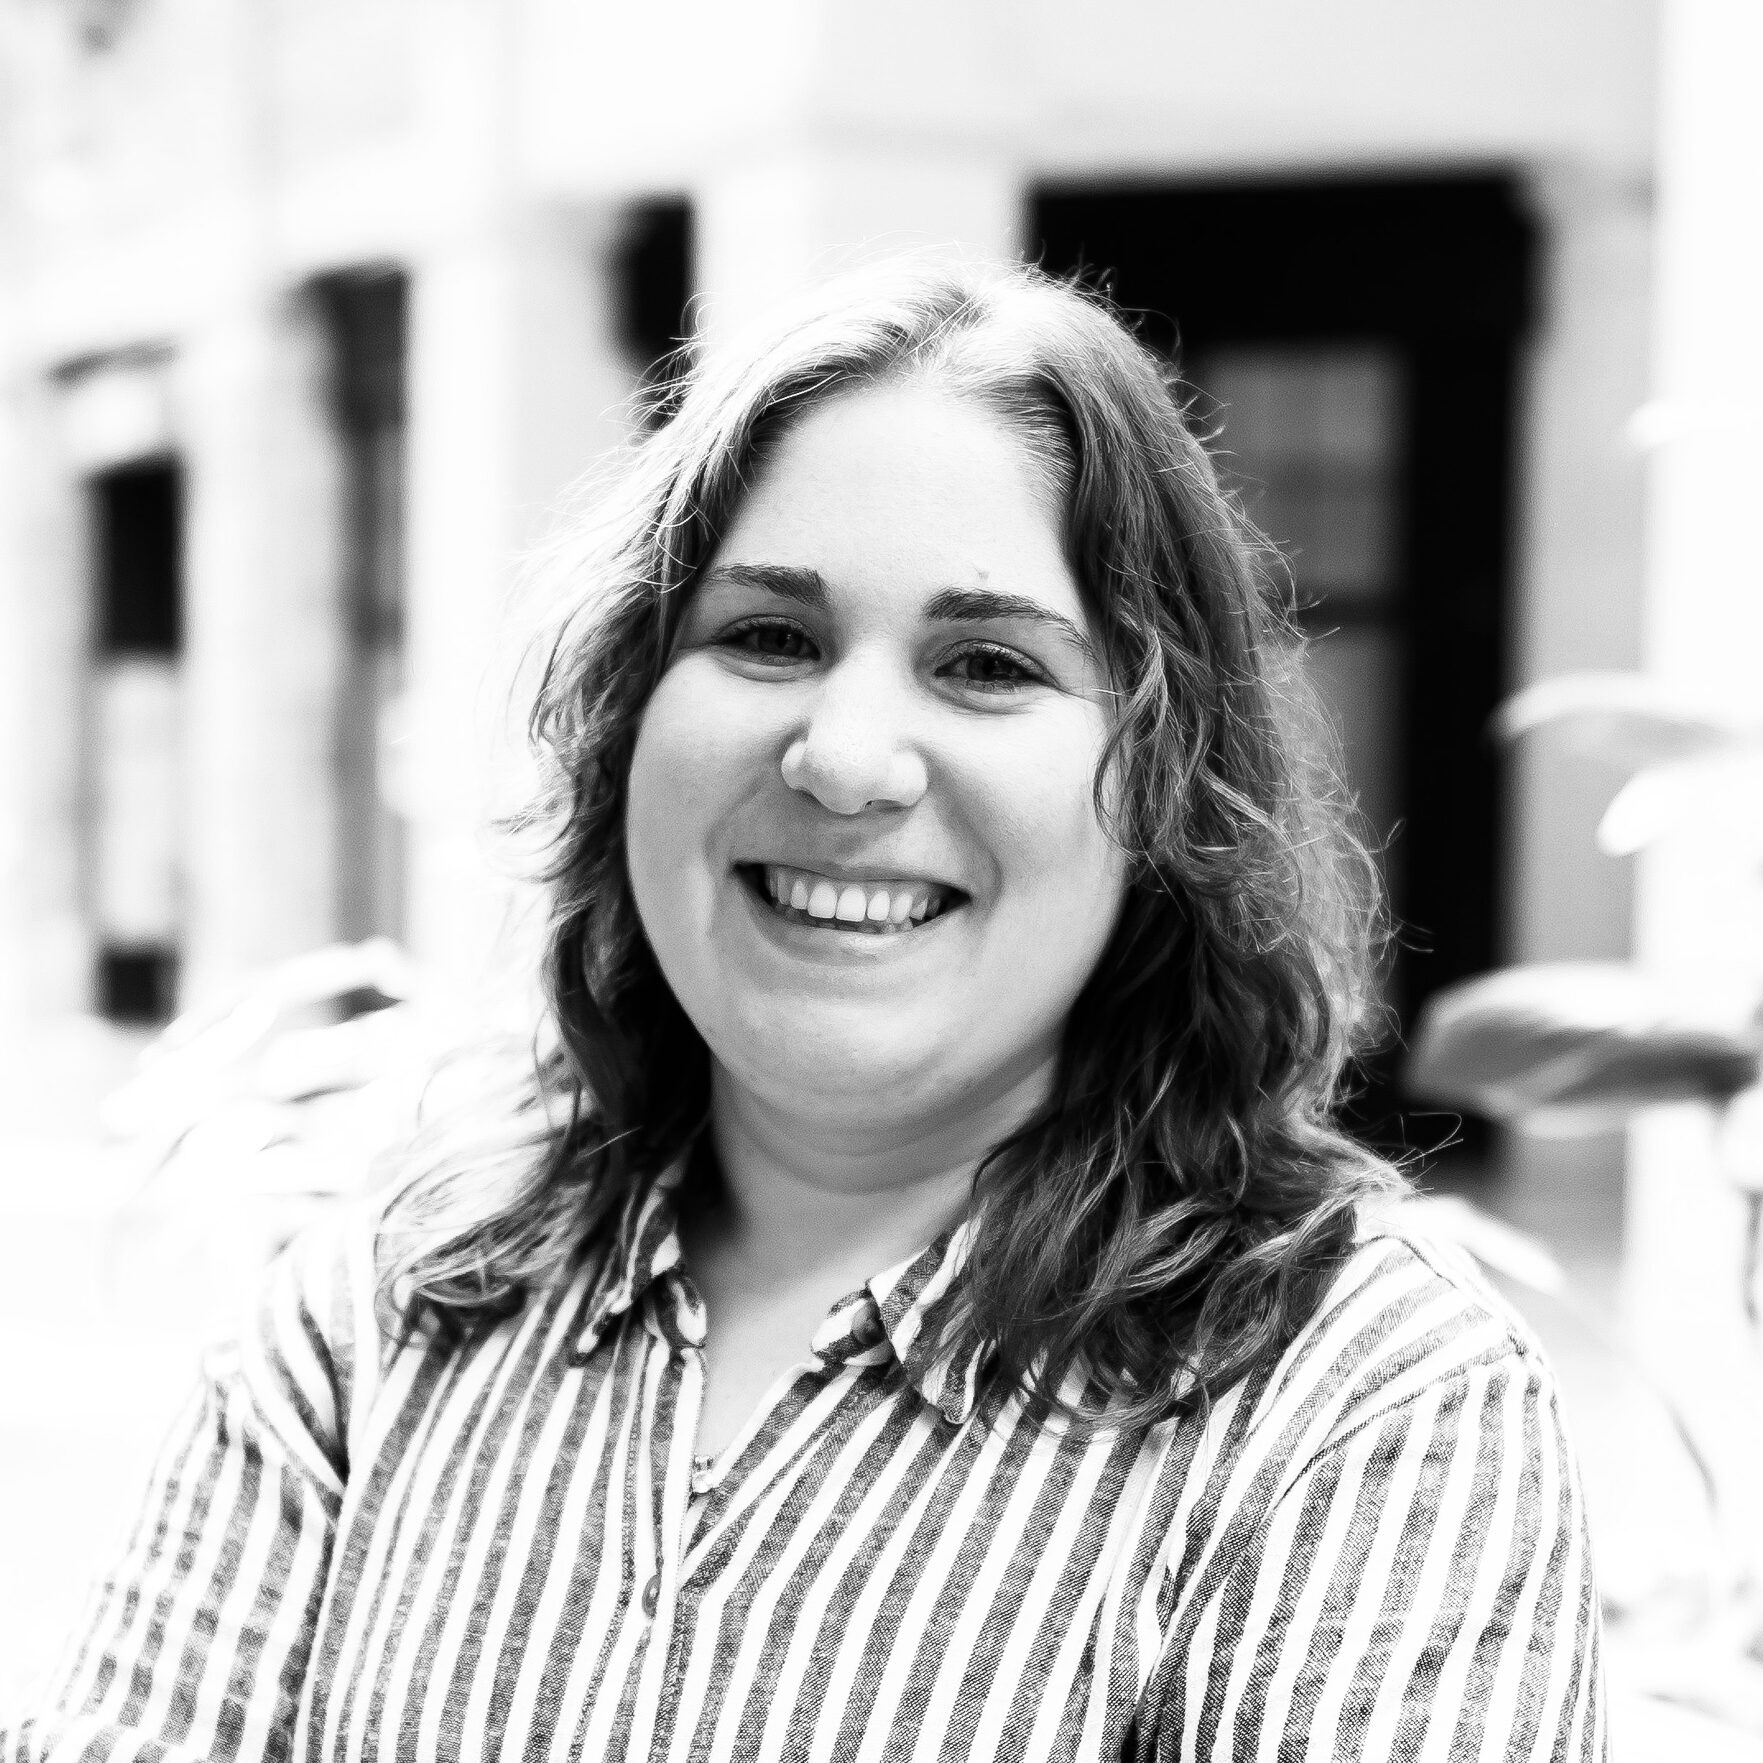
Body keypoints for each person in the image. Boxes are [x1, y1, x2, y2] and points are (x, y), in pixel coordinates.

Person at [3, 261, 1605, 1762]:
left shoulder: (1359, 1410)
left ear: (1170, 786)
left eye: (986, 664)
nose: (845, 756)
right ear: (633, 712)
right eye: (768, 636)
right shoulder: (379, 1317)